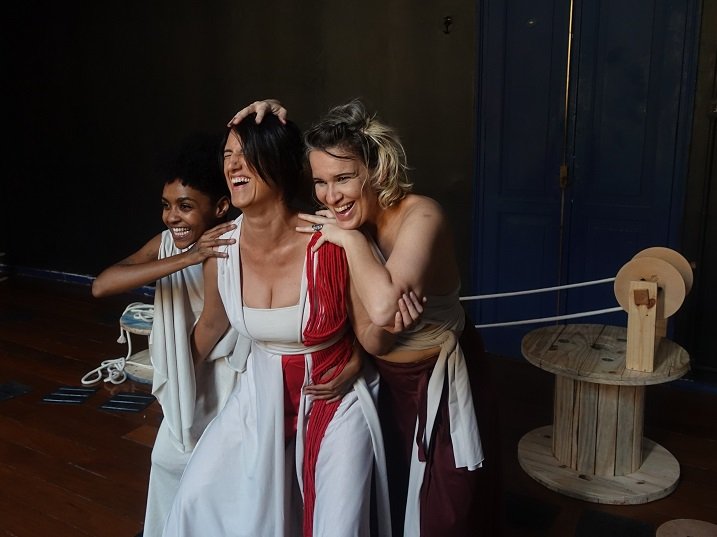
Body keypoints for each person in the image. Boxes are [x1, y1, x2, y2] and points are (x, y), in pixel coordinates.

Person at [231, 98, 500, 537]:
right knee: (391, 503)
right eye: (320, 182)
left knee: (446, 515)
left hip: (443, 379)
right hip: (387, 382)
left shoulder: (422, 215)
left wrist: (352, 243)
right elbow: (376, 338)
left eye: (343, 178)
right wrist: (268, 111)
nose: (330, 196)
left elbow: (381, 311)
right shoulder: (344, 223)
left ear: (376, 169)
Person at [162, 113, 419, 537]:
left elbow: (369, 330)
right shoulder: (221, 248)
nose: (232, 165)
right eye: (227, 155)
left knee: (338, 525)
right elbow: (209, 328)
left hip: (335, 395)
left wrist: (360, 354)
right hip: (259, 395)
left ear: (279, 163)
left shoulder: (331, 240)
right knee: (196, 500)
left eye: (246, 154)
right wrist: (171, 388)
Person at [92, 133, 243, 537]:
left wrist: (178, 380)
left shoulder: (228, 244)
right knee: (169, 463)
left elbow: (213, 325)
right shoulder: (169, 245)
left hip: (220, 374)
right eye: (166, 205)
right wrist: (187, 257)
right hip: (188, 371)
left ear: (220, 207)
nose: (172, 216)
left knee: (208, 471)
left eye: (185, 206)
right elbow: (102, 285)